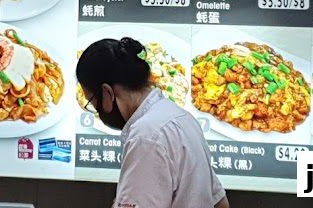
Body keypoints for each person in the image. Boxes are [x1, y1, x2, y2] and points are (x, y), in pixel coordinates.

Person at [76, 37, 230, 208]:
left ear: (107, 92)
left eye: (92, 102)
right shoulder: (183, 118)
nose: (97, 110)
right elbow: (219, 202)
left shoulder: (146, 136)